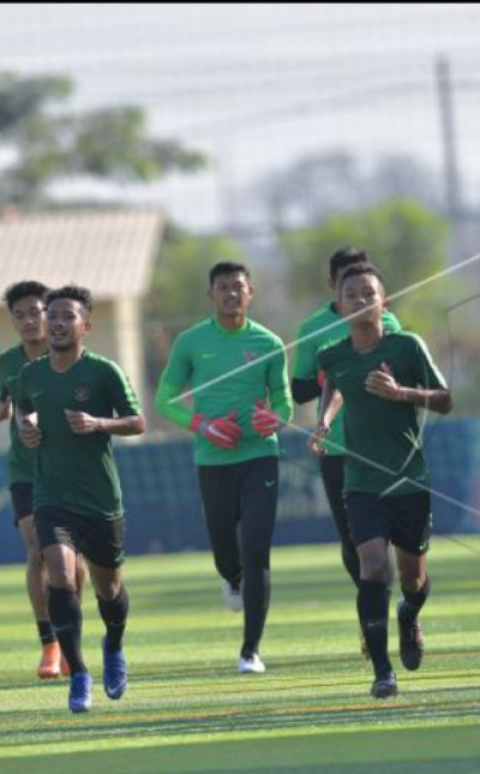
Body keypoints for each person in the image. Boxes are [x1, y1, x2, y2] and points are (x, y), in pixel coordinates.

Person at [310, 262, 453, 699]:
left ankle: (409, 615)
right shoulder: (331, 354)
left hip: (408, 479)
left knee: (412, 578)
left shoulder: (407, 346)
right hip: (361, 480)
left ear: (382, 301)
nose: (360, 300)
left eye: (368, 293)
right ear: (339, 306)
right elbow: (337, 384)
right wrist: (325, 421)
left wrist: (402, 393)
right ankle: (382, 671)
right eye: (351, 294)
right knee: (372, 566)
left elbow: (446, 400)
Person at [156, 261, 292, 674]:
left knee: (256, 549)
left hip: (259, 456)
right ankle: (230, 577)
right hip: (213, 460)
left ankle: (250, 650)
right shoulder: (191, 342)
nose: (231, 294)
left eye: (238, 287)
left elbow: (283, 401)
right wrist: (203, 426)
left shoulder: (269, 343)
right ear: (211, 295)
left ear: (250, 293)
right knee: (225, 550)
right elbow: (164, 400)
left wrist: (279, 419)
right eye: (223, 287)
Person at [15, 285, 145, 713]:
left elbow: (138, 421)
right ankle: (79, 672)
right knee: (60, 573)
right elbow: (23, 407)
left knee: (109, 587)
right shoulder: (30, 374)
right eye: (51, 315)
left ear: (85, 325)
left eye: (67, 316)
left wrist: (99, 423)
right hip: (52, 494)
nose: (56, 323)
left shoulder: (103, 372)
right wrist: (26, 426)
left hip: (100, 500)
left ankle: (114, 645)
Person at [291, 247, 402, 594]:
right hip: (337, 446)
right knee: (354, 537)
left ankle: (396, 606)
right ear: (333, 285)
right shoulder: (312, 329)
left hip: (383, 444)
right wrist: (329, 377)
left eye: (365, 288)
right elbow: (299, 390)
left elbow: (404, 376)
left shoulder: (389, 323)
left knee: (389, 535)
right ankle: (372, 608)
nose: (358, 296)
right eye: (347, 286)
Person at [0, 280, 85, 677]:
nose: (29, 321)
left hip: (67, 466)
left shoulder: (69, 357)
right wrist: (0, 408)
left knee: (72, 560)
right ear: (12, 322)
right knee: (37, 551)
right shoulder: (8, 362)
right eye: (20, 315)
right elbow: (5, 402)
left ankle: (70, 636)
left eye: (36, 312)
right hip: (25, 469)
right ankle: (48, 644)